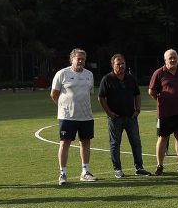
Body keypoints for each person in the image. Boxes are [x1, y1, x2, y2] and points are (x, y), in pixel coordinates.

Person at [98, 54, 150, 179]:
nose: (121, 66)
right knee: (115, 144)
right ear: (112, 65)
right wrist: (109, 113)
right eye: (118, 64)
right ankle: (118, 169)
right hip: (115, 118)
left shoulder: (131, 78)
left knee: (136, 142)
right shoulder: (107, 79)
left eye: (123, 63)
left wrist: (137, 110)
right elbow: (101, 98)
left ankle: (139, 168)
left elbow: (137, 94)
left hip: (131, 117)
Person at [51, 48, 96, 186]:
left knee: (85, 143)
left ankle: (85, 172)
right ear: (72, 59)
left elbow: (89, 93)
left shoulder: (89, 75)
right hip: (67, 117)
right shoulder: (62, 74)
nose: (81, 61)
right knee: (65, 144)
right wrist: (64, 108)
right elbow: (54, 94)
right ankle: (63, 173)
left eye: (83, 59)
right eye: (78, 58)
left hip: (86, 116)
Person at [149, 49, 178, 175]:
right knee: (163, 138)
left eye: (175, 57)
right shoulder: (159, 73)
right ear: (165, 60)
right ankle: (160, 166)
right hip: (165, 113)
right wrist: (163, 100)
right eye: (170, 58)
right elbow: (151, 91)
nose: (173, 60)